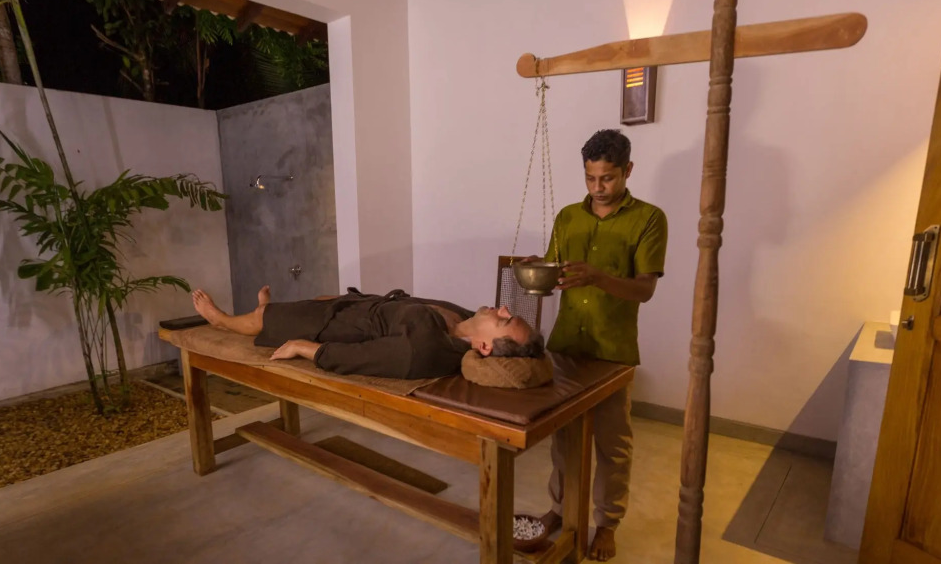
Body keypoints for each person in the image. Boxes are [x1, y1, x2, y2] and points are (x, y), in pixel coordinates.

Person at [537, 129, 667, 561]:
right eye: (590, 178)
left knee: (612, 444)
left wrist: (598, 277)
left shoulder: (649, 219)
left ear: (628, 170)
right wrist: (539, 273)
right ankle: (559, 509)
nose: (598, 187)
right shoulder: (567, 217)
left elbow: (644, 290)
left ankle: (607, 523)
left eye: (607, 178)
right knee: (564, 440)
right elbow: (555, 272)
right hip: (566, 344)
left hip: (613, 351)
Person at [190, 286, 544, 380]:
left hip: (339, 326)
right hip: (361, 304)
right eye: (508, 313)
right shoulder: (465, 317)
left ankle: (223, 320)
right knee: (318, 298)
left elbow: (362, 357)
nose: (503, 308)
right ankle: (269, 310)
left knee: (265, 317)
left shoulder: (425, 349)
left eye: (503, 320)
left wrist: (304, 347)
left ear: (484, 347)